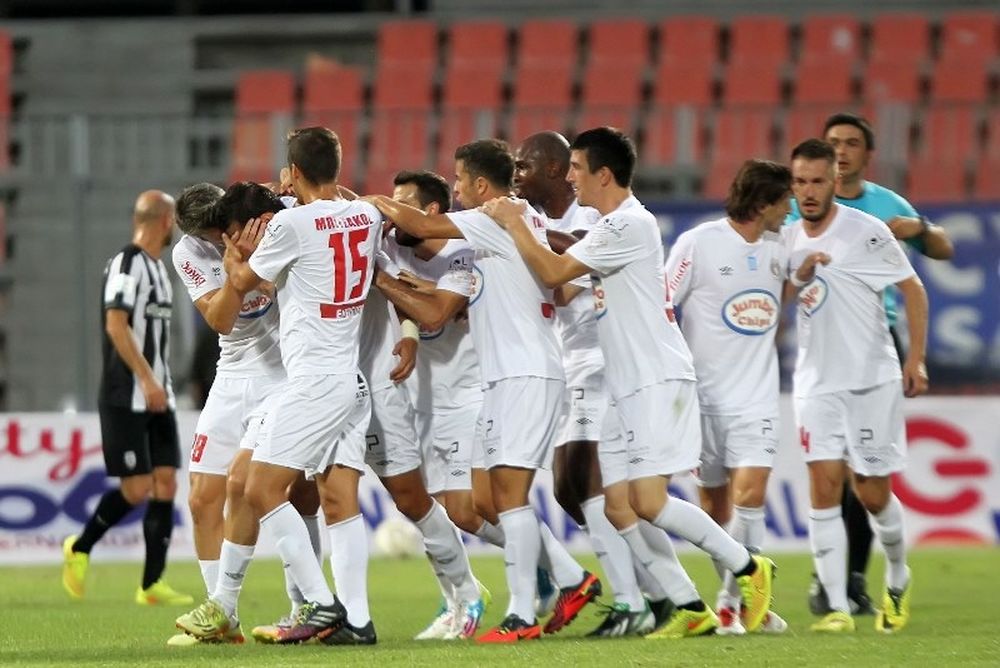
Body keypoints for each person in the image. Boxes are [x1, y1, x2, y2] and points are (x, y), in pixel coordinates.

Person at [482, 127, 776, 639]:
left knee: (649, 501)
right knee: (616, 504)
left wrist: (513, 222)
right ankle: (689, 606)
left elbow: (554, 272)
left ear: (603, 174)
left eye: (576, 168)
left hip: (657, 379)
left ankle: (749, 567)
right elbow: (569, 285)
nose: (570, 177)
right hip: (624, 385)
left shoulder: (630, 225)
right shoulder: (608, 226)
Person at [365, 139, 601, 643]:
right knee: (488, 501)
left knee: (507, 501)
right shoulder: (502, 226)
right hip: (508, 378)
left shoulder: (494, 215)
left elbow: (426, 227)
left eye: (457, 182)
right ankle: (566, 581)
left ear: (478, 184)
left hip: (524, 374)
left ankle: (524, 612)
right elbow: (446, 297)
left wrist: (363, 204)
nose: (454, 191)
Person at [222, 127, 381, 645]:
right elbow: (332, 221)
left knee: (260, 488)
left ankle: (320, 604)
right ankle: (356, 620)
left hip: (315, 380)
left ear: (292, 173)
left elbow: (248, 283)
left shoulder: (291, 223)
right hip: (350, 377)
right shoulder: (367, 214)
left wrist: (237, 255)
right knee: (339, 500)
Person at [514, 131, 676, 637]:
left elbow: (567, 277)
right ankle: (659, 592)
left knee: (587, 481)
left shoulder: (592, 218)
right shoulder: (557, 220)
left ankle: (639, 599)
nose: (518, 175)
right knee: (573, 489)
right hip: (571, 362)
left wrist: (527, 234)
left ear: (556, 168)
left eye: (526, 166)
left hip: (603, 360)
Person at [794, 113, 953, 615]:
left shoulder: (878, 216)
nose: (840, 152)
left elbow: (920, 276)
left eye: (850, 144)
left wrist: (916, 359)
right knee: (823, 484)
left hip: (871, 354)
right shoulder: (788, 228)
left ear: (863, 156)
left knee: (870, 489)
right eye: (832, 144)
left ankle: (891, 570)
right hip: (817, 367)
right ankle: (836, 602)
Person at [170, 182, 325, 647]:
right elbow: (220, 318)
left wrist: (249, 264)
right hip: (233, 371)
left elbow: (283, 276)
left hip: (283, 371)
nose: (220, 240)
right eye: (211, 238)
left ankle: (300, 605)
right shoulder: (188, 253)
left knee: (282, 491)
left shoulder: (266, 220)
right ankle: (224, 618)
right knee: (201, 497)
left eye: (223, 230)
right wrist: (241, 269)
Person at [665, 159, 793, 635]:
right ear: (763, 203)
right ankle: (738, 601)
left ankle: (731, 602)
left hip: (757, 398)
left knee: (751, 497)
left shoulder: (785, 245)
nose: (790, 210)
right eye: (784, 202)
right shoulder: (698, 243)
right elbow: (662, 303)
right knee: (715, 511)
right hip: (703, 400)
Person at [373, 170, 503, 639]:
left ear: (429, 211)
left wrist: (383, 280)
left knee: (467, 512)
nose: (392, 214)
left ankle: (555, 569)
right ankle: (454, 601)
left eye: (401, 204)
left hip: (467, 396)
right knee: (433, 512)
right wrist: (406, 333)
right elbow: (413, 314)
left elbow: (435, 313)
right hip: (420, 400)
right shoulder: (394, 249)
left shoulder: (462, 251)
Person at [62, 190, 193, 607]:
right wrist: (147, 379)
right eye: (173, 220)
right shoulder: (126, 264)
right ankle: (80, 548)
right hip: (127, 394)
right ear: (164, 221)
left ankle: (151, 584)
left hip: (159, 393)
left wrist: (160, 384)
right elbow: (116, 325)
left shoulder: (159, 270)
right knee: (136, 488)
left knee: (166, 481)